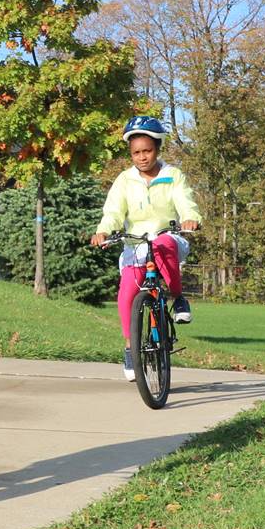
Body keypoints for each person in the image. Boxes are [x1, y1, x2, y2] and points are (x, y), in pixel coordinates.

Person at [90, 115, 202, 382]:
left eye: (147, 151)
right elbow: (114, 211)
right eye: (136, 153)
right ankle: (131, 348)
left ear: (158, 148)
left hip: (168, 236)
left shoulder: (172, 175)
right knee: (128, 291)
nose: (142, 157)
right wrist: (103, 231)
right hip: (136, 242)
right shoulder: (124, 180)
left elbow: (185, 201)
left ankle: (178, 296)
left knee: (163, 244)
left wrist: (190, 218)